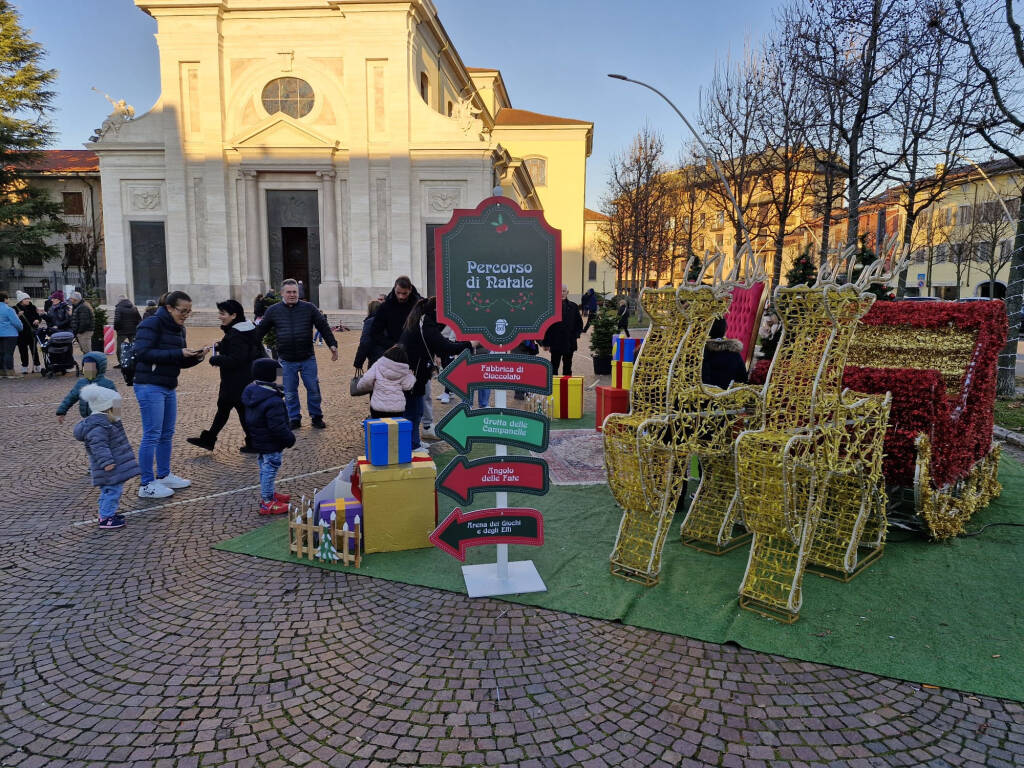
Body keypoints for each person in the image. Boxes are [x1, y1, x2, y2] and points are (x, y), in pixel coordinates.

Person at [133, 290, 205, 499]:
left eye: (189, 312)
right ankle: (146, 484)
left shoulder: (179, 328)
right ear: (169, 308)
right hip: (149, 385)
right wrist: (178, 353)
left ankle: (163, 475)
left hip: (168, 384)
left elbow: (178, 360)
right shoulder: (151, 323)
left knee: (167, 433)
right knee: (152, 434)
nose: (186, 315)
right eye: (183, 311)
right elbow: (142, 353)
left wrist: (196, 357)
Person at [255, 279, 338, 429]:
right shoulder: (273, 310)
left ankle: (316, 416)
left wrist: (332, 344)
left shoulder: (309, 308)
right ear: (282, 293)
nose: (292, 295)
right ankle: (293, 418)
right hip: (284, 360)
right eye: (289, 292)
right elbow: (260, 332)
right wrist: (249, 346)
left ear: (298, 293)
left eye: (295, 292)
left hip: (308, 358)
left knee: (313, 389)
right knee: (289, 392)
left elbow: (323, 326)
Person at [186, 300, 263, 453]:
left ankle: (253, 442)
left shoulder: (236, 334)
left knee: (234, 410)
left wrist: (215, 359)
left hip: (236, 381)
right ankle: (211, 439)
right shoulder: (246, 329)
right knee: (228, 409)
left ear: (234, 315)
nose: (220, 316)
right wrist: (221, 346)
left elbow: (237, 359)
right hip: (242, 379)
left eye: (223, 313)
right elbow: (244, 350)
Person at [398, 297, 471, 449]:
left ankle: (414, 442)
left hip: (415, 374)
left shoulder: (421, 321)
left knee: (417, 410)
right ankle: (411, 445)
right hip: (413, 375)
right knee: (413, 411)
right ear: (436, 312)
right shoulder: (426, 325)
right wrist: (468, 344)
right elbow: (445, 346)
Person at [74, 385, 140, 530]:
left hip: (111, 466)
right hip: (108, 468)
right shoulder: (99, 426)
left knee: (109, 490)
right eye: (116, 406)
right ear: (106, 408)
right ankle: (106, 518)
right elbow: (98, 446)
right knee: (112, 490)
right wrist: (107, 462)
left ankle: (107, 513)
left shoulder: (107, 421)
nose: (118, 409)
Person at [242, 358, 295, 515]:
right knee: (270, 469)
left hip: (260, 440)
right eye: (279, 375)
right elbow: (277, 426)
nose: (281, 378)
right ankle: (267, 501)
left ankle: (270, 494)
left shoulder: (253, 392)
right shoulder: (272, 401)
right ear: (272, 377)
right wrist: (289, 438)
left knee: (264, 467)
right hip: (271, 443)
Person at [353, 344, 416, 418]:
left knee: (379, 428)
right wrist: (411, 376)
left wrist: (371, 387)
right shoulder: (404, 370)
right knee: (394, 429)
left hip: (378, 406)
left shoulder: (378, 365)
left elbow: (366, 380)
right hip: (397, 408)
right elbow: (407, 386)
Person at [56, 351, 117, 424]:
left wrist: (114, 419)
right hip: (87, 419)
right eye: (86, 367)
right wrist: (62, 411)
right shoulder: (81, 383)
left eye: (91, 367)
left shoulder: (107, 384)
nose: (88, 370)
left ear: (100, 368)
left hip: (103, 420)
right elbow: (70, 397)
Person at [541, 284, 584, 376]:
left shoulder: (574, 306)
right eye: (560, 291)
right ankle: (553, 387)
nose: (562, 293)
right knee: (554, 366)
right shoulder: (551, 307)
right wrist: (545, 343)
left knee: (568, 367)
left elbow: (579, 324)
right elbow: (546, 326)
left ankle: (566, 387)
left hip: (569, 342)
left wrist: (576, 335)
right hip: (555, 342)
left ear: (567, 292)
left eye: (564, 291)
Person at [701, 318, 748, 390]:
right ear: (725, 329)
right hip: (727, 397)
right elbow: (743, 381)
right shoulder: (735, 354)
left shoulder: (699, 353)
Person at [352, 299, 383, 374]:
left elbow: (365, 343)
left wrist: (358, 362)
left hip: (376, 359)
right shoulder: (388, 320)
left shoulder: (370, 322)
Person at [14, 291, 40, 373]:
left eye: (28, 298)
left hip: (32, 332)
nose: (28, 300)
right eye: (26, 299)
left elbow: (38, 317)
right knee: (23, 351)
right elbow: (12, 320)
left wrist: (37, 320)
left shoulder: (33, 307)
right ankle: (24, 366)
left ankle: (37, 365)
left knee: (34, 350)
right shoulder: (15, 308)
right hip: (21, 333)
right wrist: (18, 315)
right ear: (21, 300)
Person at [112, 295, 142, 368]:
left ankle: (121, 363)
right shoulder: (134, 307)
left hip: (122, 331)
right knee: (134, 346)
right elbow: (139, 319)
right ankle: (136, 361)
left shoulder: (118, 308)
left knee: (119, 348)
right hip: (133, 330)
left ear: (119, 301)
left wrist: (117, 329)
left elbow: (117, 320)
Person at [0, 292, 23, 379]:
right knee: (8, 353)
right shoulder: (9, 309)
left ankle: (1, 372)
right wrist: (21, 328)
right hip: (10, 334)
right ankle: (10, 372)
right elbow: (16, 322)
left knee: (1, 353)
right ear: (5, 299)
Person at [69, 291, 95, 356]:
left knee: (87, 351)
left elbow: (85, 322)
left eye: (71, 298)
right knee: (85, 350)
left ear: (75, 299)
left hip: (84, 332)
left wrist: (79, 331)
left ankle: (90, 366)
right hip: (82, 332)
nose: (70, 300)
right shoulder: (78, 306)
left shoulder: (82, 307)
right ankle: (87, 365)